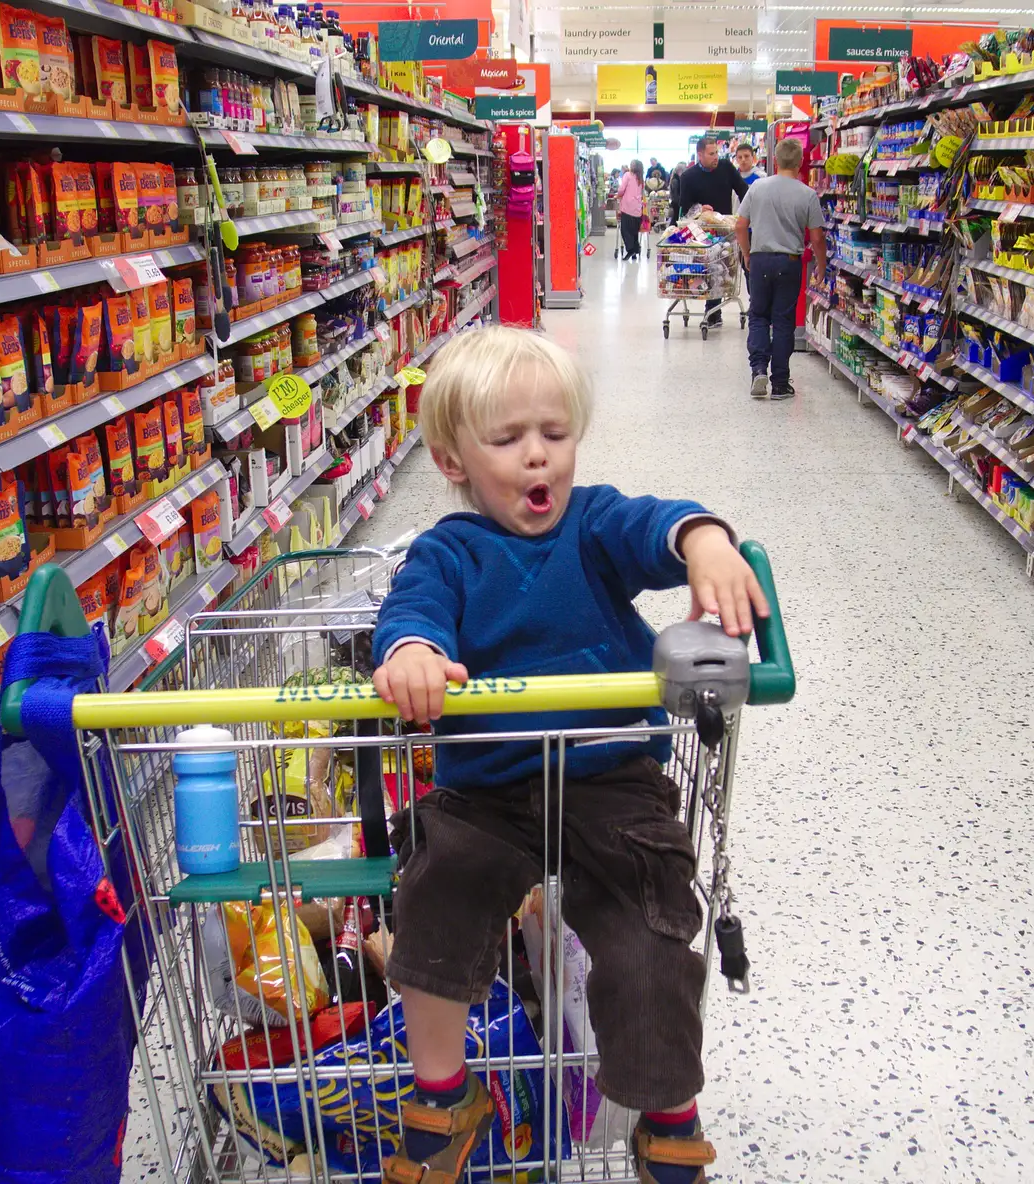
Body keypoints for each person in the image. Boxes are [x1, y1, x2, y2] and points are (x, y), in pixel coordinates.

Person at [369, 326, 769, 1184]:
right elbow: (415, 606)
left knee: (651, 935)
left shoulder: (592, 525)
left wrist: (701, 538)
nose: (538, 459)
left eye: (555, 435)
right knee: (431, 900)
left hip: (612, 776)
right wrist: (410, 654)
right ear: (452, 461)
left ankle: (669, 1111)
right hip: (489, 790)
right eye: (508, 440)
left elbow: (648, 524)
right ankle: (443, 1095)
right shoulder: (451, 551)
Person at [734, 136, 827, 401]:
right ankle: (781, 383)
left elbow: (740, 225)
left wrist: (747, 253)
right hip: (790, 262)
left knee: (759, 315)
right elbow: (817, 238)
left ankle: (759, 369)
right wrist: (821, 267)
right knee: (783, 321)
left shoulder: (758, 188)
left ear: (775, 160)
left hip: (761, 258)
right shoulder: (807, 194)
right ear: (799, 163)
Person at [673, 137, 749, 328]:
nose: (716, 157)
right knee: (711, 269)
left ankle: (718, 310)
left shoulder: (726, 168)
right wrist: (699, 209)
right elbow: (684, 207)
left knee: (730, 269)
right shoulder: (688, 177)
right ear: (700, 155)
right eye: (711, 153)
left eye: (717, 152)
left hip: (727, 229)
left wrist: (745, 216)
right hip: (702, 233)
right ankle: (713, 310)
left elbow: (743, 191)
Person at [616, 158, 646, 260]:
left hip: (628, 207)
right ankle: (635, 251)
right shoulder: (641, 179)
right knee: (634, 231)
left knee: (625, 230)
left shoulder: (627, 175)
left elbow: (621, 189)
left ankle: (630, 250)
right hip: (637, 209)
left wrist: (618, 195)